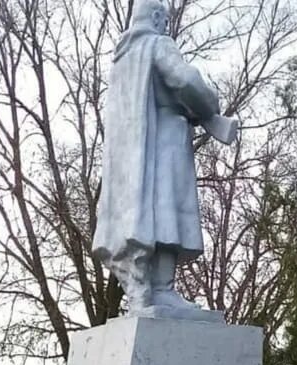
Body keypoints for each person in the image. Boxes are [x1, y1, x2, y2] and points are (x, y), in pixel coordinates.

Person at [92, 0, 237, 314]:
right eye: (165, 19)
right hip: (165, 140)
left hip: (133, 153)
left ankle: (143, 292)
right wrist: (209, 109)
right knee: (167, 214)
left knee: (147, 218)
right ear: (156, 17)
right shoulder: (158, 44)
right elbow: (185, 81)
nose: (167, 25)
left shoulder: (122, 59)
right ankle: (162, 289)